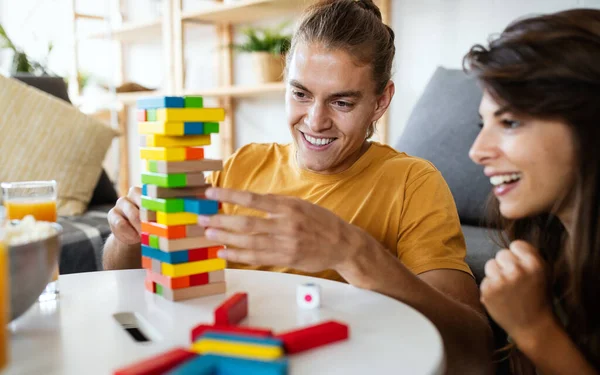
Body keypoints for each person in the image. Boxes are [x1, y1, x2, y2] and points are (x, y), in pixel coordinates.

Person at [104, 1, 493, 373]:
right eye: (300, 94)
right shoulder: (243, 164)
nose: (315, 121)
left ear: (380, 101)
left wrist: (351, 250)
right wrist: (127, 234)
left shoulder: (412, 183)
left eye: (341, 102)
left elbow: (474, 350)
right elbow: (128, 280)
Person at [466, 8, 600, 375]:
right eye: (484, 123)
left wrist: (534, 329)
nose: (477, 151)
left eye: (510, 122)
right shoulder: (547, 242)